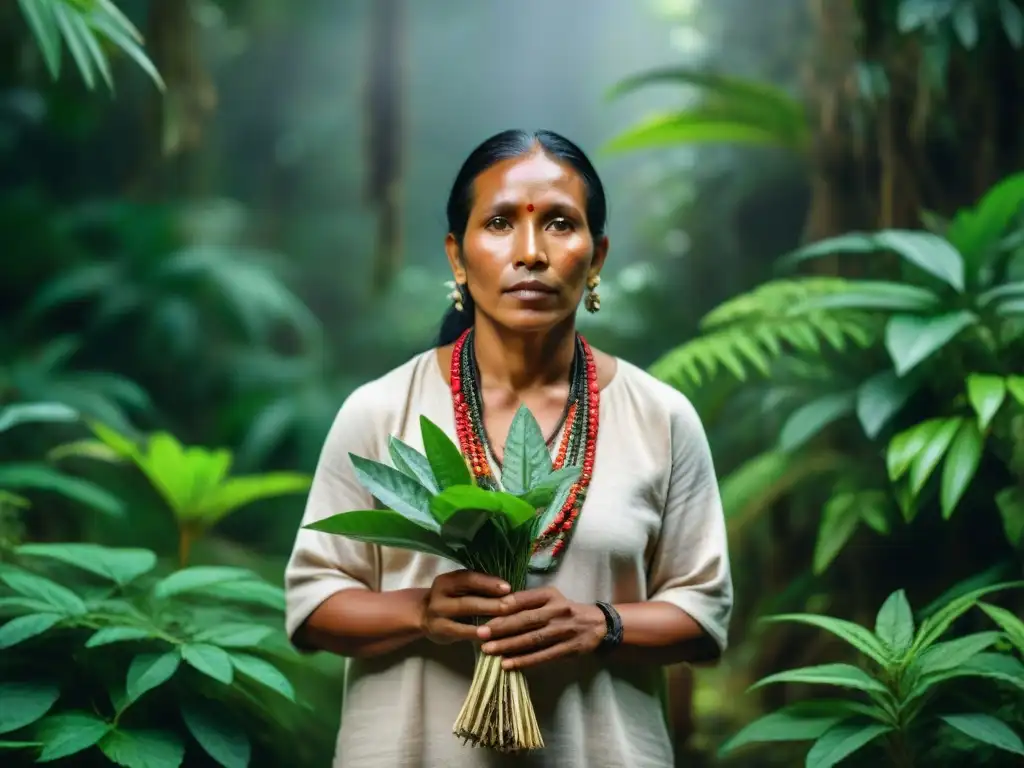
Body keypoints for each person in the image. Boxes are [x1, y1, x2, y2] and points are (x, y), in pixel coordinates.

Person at [284, 129, 733, 768]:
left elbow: (704, 612)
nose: (530, 252)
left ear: (597, 255)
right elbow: (311, 607)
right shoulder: (381, 411)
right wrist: (421, 611)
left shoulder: (659, 418)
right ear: (457, 257)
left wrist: (598, 625)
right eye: (498, 223)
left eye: (559, 224)